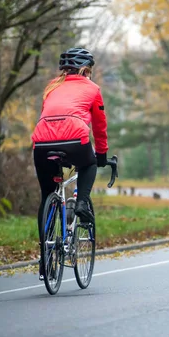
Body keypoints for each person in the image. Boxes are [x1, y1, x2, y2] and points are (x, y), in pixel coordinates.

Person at [31, 47, 108, 279]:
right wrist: (102, 154)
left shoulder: (51, 86)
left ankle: (45, 259)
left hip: (42, 142)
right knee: (90, 163)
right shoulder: (92, 88)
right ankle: (82, 203)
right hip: (75, 137)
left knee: (47, 195)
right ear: (86, 69)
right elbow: (99, 124)